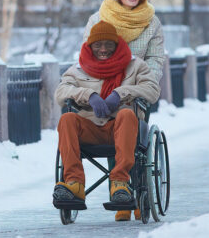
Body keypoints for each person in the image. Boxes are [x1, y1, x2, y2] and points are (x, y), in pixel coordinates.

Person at [52, 20, 161, 215]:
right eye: (98, 45)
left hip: (123, 129)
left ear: (117, 44)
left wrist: (121, 94)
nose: (103, 49)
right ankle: (74, 183)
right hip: (91, 128)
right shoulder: (78, 69)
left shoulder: (135, 66)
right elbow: (60, 93)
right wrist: (89, 96)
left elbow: (152, 91)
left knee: (127, 114)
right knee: (67, 119)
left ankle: (120, 183)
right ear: (90, 46)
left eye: (108, 44)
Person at [84, 0, 164, 220]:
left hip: (137, 90)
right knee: (110, 138)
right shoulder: (99, 19)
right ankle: (120, 195)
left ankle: (139, 192)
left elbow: (155, 59)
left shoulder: (151, 21)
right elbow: (88, 55)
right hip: (105, 86)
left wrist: (139, 85)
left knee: (134, 140)